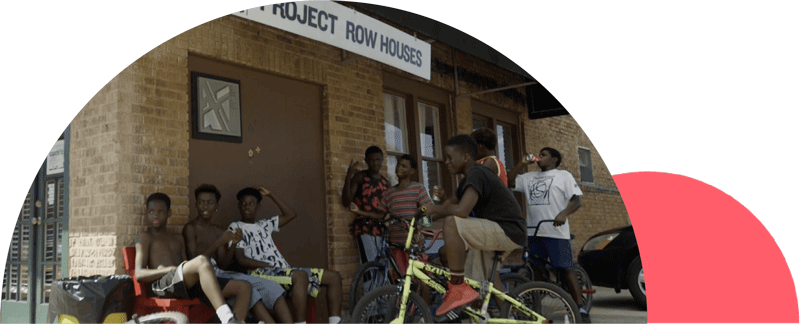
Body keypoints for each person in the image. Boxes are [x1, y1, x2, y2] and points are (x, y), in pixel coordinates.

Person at [420, 135, 526, 317]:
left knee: (453, 222)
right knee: (478, 282)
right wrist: (420, 221)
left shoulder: (478, 173)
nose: (446, 162)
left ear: (466, 157)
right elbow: (447, 205)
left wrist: (433, 209)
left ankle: (457, 286)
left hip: (507, 230)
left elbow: (461, 210)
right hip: (499, 231)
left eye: (450, 157)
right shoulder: (467, 180)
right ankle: (512, 317)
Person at [230, 187, 343, 324]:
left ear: (258, 206)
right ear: (238, 206)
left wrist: (271, 195)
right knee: (300, 276)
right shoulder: (236, 227)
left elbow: (291, 214)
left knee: (334, 277)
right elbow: (240, 259)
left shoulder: (264, 225)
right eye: (243, 203)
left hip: (284, 272)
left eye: (251, 203)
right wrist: (267, 265)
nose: (247, 207)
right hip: (261, 273)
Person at [183, 184, 294, 323]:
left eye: (209, 202)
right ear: (196, 205)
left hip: (221, 273)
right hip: (203, 278)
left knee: (270, 286)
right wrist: (219, 242)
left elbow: (223, 264)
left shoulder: (218, 231)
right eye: (201, 202)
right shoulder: (190, 229)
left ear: (216, 206)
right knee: (246, 287)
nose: (205, 206)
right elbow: (194, 261)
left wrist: (234, 244)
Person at [134, 192, 249, 324]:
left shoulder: (178, 238)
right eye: (151, 211)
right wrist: (169, 269)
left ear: (169, 213)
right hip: (163, 285)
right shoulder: (146, 237)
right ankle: (228, 319)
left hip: (183, 284)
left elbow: (186, 265)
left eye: (160, 211)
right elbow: (139, 274)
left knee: (244, 287)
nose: (155, 215)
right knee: (201, 261)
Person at [508, 147, 590, 323]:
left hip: (556, 233)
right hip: (533, 232)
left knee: (566, 269)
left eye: (544, 155)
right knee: (536, 269)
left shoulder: (563, 176)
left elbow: (577, 200)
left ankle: (580, 307)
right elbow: (509, 181)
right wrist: (521, 164)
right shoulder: (528, 177)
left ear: (554, 159)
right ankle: (537, 307)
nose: (539, 157)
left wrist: (563, 213)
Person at [349, 154, 433, 274]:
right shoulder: (389, 192)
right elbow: (380, 215)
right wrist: (359, 211)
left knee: (421, 280)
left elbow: (429, 213)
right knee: (400, 281)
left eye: (404, 166)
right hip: (395, 245)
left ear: (412, 171)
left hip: (414, 245)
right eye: (398, 164)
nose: (399, 168)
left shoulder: (418, 188)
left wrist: (421, 228)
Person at [341, 146, 390, 264]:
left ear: (382, 160)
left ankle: (381, 284)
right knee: (369, 265)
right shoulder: (360, 177)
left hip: (381, 229)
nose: (375, 163)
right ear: (366, 161)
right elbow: (346, 202)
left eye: (378, 160)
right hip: (364, 228)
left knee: (382, 267)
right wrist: (348, 177)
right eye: (371, 160)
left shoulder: (386, 183)